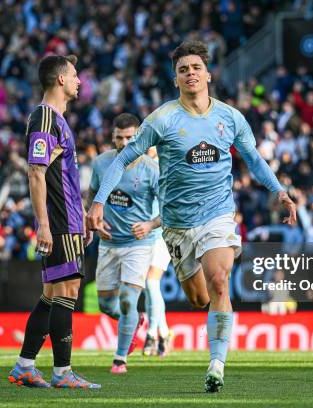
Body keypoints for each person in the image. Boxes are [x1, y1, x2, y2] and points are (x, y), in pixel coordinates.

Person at [87, 40, 297, 392]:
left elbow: (255, 160)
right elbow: (122, 159)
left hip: (217, 214)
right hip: (176, 225)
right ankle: (204, 332)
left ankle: (216, 365)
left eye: (196, 67)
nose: (190, 74)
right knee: (200, 298)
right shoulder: (162, 119)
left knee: (219, 281)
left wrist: (279, 191)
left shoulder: (230, 118)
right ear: (176, 79)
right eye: (183, 69)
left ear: (208, 74)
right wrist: (97, 202)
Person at [9, 54, 99, 389]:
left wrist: (83, 218)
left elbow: (64, 177)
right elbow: (36, 172)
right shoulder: (45, 118)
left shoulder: (56, 119)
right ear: (60, 79)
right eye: (75, 75)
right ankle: (62, 373)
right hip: (59, 222)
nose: (79, 81)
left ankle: (25, 366)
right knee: (67, 291)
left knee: (50, 294)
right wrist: (44, 225)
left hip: (70, 220)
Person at [89, 113, 161, 374]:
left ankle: (120, 359)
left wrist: (150, 225)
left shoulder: (152, 169)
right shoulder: (101, 163)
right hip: (108, 243)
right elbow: (93, 195)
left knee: (129, 299)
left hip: (139, 244)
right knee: (107, 305)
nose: (124, 143)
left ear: (139, 137)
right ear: (112, 137)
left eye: (130, 137)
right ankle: (134, 321)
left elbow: (168, 210)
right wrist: (93, 222)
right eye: (119, 138)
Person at [143, 146, 173, 357]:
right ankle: (163, 332)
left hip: (162, 233)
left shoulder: (163, 167)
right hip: (143, 235)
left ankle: (152, 333)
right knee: (149, 286)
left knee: (151, 283)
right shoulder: (140, 168)